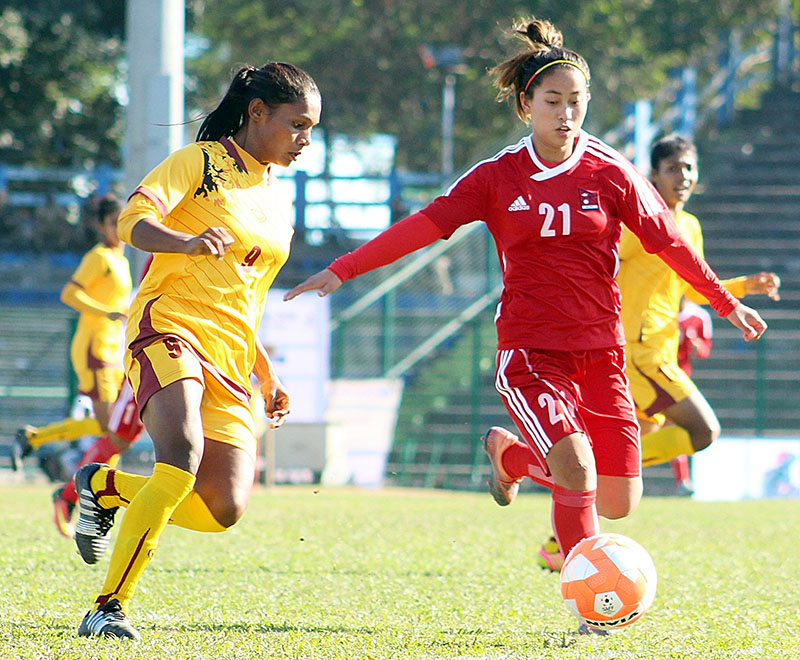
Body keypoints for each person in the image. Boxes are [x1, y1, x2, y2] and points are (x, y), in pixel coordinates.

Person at [284, 18, 767, 632]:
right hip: (531, 352)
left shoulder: (611, 171)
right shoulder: (497, 175)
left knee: (619, 500)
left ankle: (511, 457)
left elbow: (669, 241)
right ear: (525, 105)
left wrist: (725, 301)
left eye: (577, 102)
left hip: (603, 352)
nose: (566, 114)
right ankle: (590, 608)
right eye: (553, 101)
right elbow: (428, 224)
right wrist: (343, 269)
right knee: (578, 470)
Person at [71, 62, 320, 641]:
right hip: (169, 329)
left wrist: (265, 372)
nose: (305, 140)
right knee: (180, 456)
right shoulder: (199, 162)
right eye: (297, 125)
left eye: (312, 129)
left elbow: (245, 298)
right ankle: (109, 607)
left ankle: (104, 486)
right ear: (257, 113)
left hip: (230, 358)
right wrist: (184, 241)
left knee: (221, 509)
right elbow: (133, 220)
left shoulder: (276, 199)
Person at [535, 134, 780, 572]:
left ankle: (559, 539)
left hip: (658, 353)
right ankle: (571, 478)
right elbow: (601, 259)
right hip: (639, 355)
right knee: (703, 431)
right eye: (672, 169)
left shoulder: (690, 226)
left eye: (688, 168)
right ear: (654, 174)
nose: (682, 177)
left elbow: (692, 287)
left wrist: (744, 286)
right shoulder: (638, 224)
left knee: (632, 448)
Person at [13, 195, 135, 536]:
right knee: (113, 430)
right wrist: (108, 312)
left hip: (112, 348)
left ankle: (39, 442)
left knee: (112, 430)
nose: (118, 229)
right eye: (113, 223)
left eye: (122, 222)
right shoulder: (98, 257)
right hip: (95, 348)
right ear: (101, 226)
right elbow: (69, 294)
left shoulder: (121, 259)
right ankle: (86, 495)